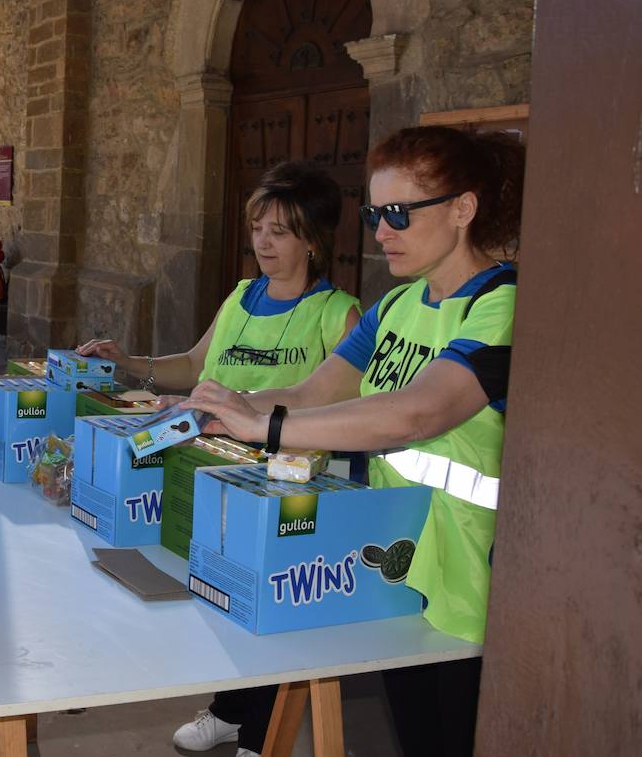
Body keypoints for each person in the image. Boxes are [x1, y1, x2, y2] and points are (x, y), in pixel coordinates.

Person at [179, 126, 524, 757]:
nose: (381, 231)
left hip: (466, 581)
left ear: (462, 209)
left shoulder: (501, 303)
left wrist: (269, 426)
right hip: (392, 560)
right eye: (374, 214)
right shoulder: (395, 305)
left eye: (397, 213)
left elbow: (417, 413)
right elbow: (317, 391)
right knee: (416, 735)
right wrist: (223, 407)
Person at [77, 160, 360, 757]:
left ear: (313, 239)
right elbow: (192, 364)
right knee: (218, 597)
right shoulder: (240, 295)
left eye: (280, 230)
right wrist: (129, 362)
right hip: (211, 469)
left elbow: (343, 402)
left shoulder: (341, 314)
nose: (263, 241)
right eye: (259, 226)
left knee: (271, 613)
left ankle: (262, 736)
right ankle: (232, 710)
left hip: (287, 485)